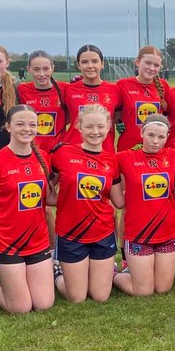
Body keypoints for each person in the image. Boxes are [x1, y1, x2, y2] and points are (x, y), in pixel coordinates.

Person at [0, 105, 55, 314]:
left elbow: (50, 201)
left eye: (32, 124)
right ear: (8, 127)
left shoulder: (43, 158)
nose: (26, 129)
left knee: (44, 304)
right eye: (20, 124)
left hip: (38, 240)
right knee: (20, 308)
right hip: (6, 242)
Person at [48, 105, 120, 303]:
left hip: (102, 232)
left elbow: (119, 202)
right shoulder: (62, 154)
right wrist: (59, 200)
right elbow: (47, 190)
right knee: (77, 298)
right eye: (89, 127)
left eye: (100, 126)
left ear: (108, 127)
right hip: (71, 233)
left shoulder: (112, 161)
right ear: (79, 126)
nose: (95, 132)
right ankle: (57, 274)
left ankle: (99, 271)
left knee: (100, 296)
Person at [113, 115, 175, 296]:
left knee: (162, 288)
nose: (155, 141)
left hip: (167, 232)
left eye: (161, 137)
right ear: (141, 133)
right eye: (150, 135)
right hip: (138, 234)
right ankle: (113, 274)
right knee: (144, 291)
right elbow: (98, 164)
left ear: (167, 136)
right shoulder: (125, 157)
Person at [62, 44, 121, 152]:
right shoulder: (68, 89)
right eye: (84, 62)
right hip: (74, 151)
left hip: (104, 150)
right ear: (78, 65)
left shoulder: (114, 89)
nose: (90, 66)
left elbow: (119, 119)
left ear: (102, 64)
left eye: (94, 61)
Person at [116, 45, 172, 153]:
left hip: (155, 148)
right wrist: (118, 121)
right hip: (128, 147)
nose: (152, 68)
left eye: (156, 65)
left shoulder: (164, 86)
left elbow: (172, 113)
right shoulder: (123, 85)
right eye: (148, 63)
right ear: (137, 62)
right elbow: (111, 110)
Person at [17, 51, 69, 157]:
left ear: (52, 68)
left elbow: (72, 115)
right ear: (29, 69)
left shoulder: (65, 89)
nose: (41, 74)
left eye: (46, 69)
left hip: (57, 151)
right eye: (36, 69)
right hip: (31, 151)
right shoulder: (22, 89)